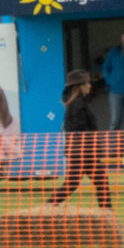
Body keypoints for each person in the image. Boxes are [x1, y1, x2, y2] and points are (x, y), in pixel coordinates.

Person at [46, 70, 112, 209]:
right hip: (84, 151)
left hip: (80, 151)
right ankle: (107, 212)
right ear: (80, 86)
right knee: (99, 182)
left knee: (74, 184)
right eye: (87, 83)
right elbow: (79, 128)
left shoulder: (78, 102)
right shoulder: (78, 104)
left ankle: (49, 206)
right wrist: (92, 141)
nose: (89, 86)